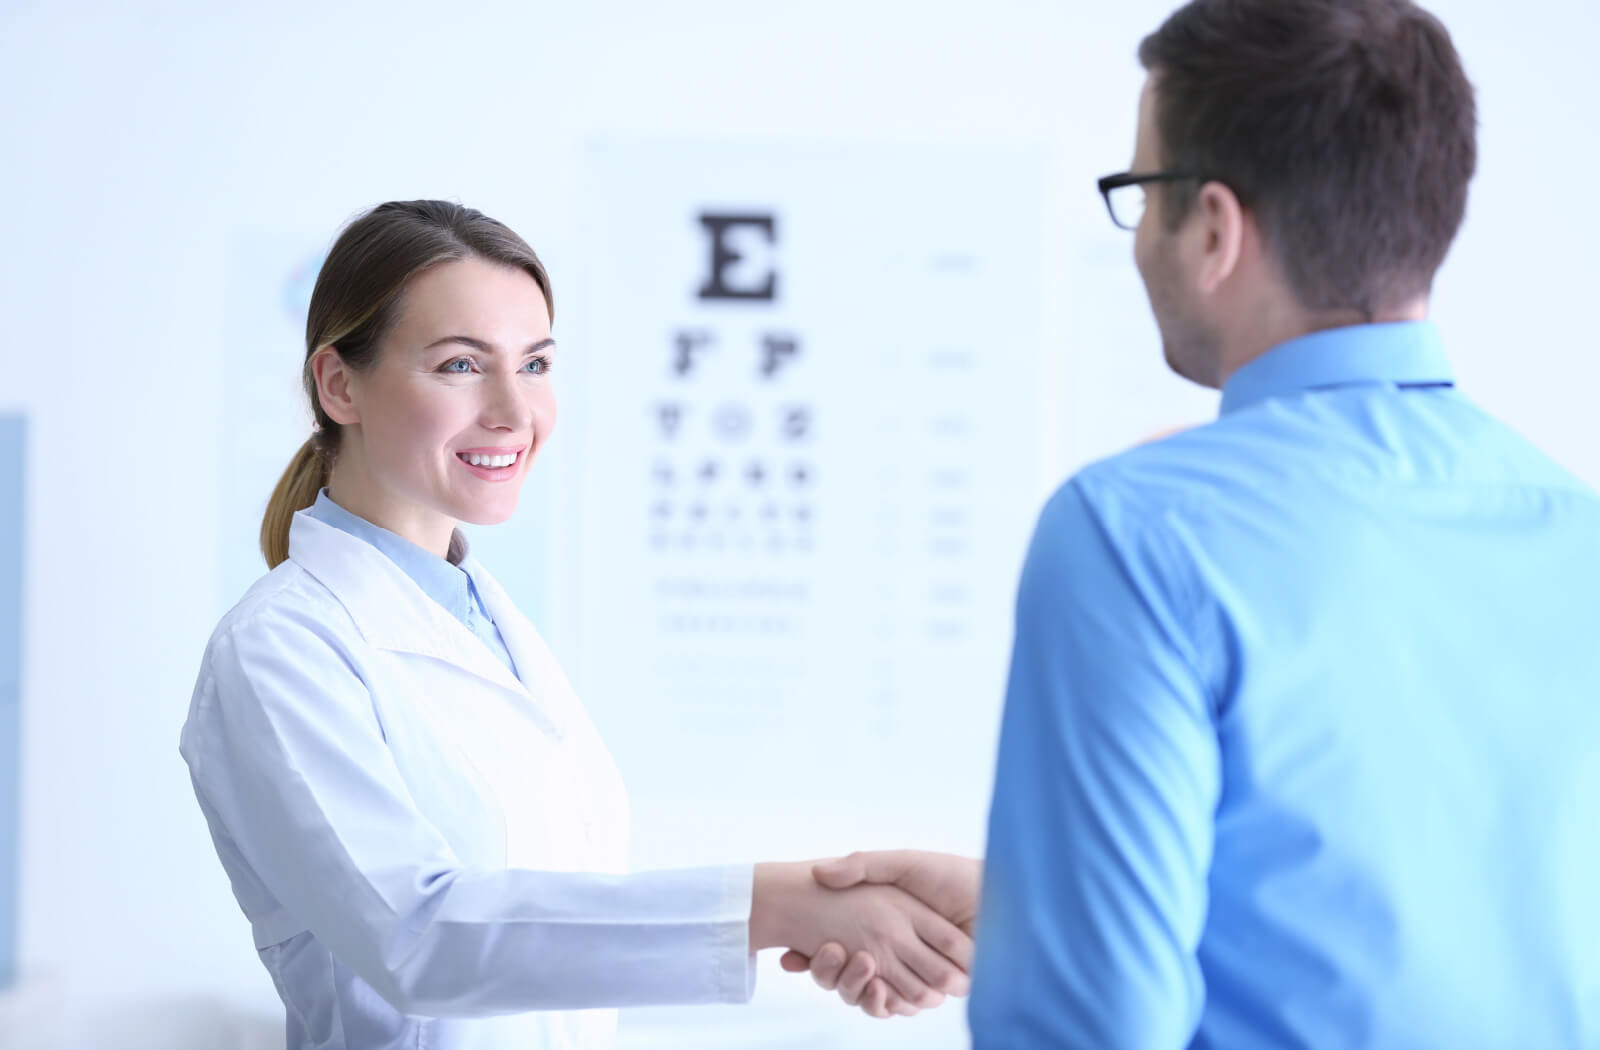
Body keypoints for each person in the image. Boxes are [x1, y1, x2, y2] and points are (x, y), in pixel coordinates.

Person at [945, 0, 1600, 1045]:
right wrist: (1042, 893)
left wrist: (1054, 927)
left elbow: (1087, 1031)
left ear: (1212, 227)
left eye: (1139, 194)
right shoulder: (1579, 534)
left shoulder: (1130, 536)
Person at [177, 199, 979, 1050]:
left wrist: (833, 920)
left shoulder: (486, 623)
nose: (515, 413)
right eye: (459, 365)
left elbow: (559, 935)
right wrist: (775, 906)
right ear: (340, 384)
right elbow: (420, 937)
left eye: (535, 364)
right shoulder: (278, 649)